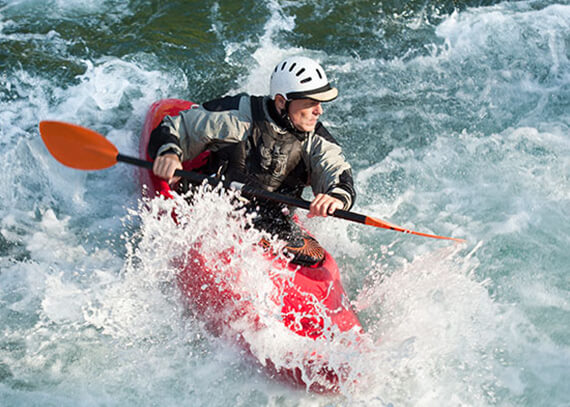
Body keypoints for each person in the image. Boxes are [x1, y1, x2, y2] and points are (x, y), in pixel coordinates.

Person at [148, 56, 355, 266]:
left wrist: (335, 197)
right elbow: (175, 127)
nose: (319, 111)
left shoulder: (316, 140)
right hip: (212, 204)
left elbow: (337, 172)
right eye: (310, 103)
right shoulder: (236, 116)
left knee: (311, 256)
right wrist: (169, 153)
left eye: (319, 103)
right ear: (282, 101)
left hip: (271, 221)